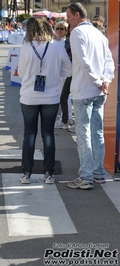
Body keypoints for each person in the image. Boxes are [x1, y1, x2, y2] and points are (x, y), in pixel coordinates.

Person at [66, 2, 115, 189]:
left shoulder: (77, 33)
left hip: (84, 90)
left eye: (69, 16)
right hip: (99, 90)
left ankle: (85, 176)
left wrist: (98, 81)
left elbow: (83, 61)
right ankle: (98, 173)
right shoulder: (99, 34)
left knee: (84, 134)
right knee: (97, 133)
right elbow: (109, 61)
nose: (68, 20)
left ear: (78, 15)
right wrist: (105, 81)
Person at [17, 17, 72, 185]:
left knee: (29, 134)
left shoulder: (27, 47)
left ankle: (27, 173)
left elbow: (21, 72)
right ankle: (49, 173)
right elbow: (68, 70)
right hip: (51, 96)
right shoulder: (57, 45)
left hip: (29, 96)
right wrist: (55, 76)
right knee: (48, 135)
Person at [53, 21, 75, 132]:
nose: (59, 30)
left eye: (62, 28)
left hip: (67, 72)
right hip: (64, 72)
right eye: (57, 28)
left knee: (64, 96)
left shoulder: (65, 42)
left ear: (66, 31)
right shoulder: (59, 42)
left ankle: (66, 119)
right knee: (64, 96)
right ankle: (66, 118)